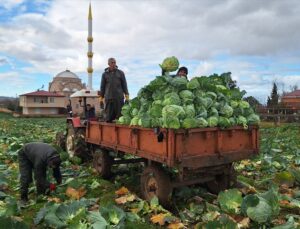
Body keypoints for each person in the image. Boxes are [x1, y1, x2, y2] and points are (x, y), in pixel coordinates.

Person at [99, 57, 129, 122]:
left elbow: (124, 85)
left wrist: (127, 96)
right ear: (108, 64)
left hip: (119, 98)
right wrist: (101, 98)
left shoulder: (120, 73)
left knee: (120, 117)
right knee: (108, 117)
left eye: (114, 62)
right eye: (112, 62)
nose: (114, 64)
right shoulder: (104, 74)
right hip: (109, 98)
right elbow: (102, 87)